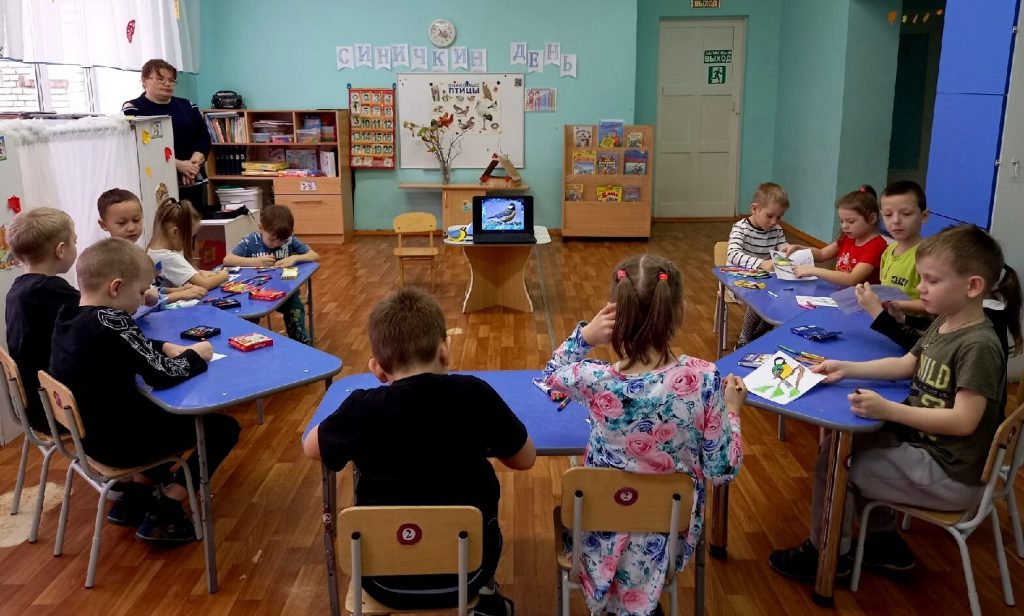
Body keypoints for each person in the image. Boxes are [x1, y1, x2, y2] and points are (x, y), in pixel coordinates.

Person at [769, 224, 1022, 582]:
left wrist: (889, 410)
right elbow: (907, 365)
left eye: (932, 280)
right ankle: (882, 542)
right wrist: (846, 367)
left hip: (949, 474)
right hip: (929, 451)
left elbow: (964, 421)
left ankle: (826, 557)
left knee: (836, 465)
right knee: (841, 448)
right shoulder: (946, 322)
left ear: (972, 286)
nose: (921, 288)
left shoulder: (978, 345)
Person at [303, 287, 535, 615]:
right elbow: (525, 459)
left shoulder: (362, 408)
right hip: (467, 572)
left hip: (382, 578)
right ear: (445, 351)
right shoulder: (475, 395)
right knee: (485, 522)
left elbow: (311, 447)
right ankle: (487, 596)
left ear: (378, 369)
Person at [542, 254, 745, 616]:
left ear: (614, 313)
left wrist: (584, 336)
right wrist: (732, 410)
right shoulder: (704, 379)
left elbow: (549, 377)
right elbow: (721, 471)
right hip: (668, 536)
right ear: (678, 312)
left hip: (599, 534)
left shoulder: (592, 378)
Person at [49, 238, 240, 543]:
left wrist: (162, 346)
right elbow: (163, 375)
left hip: (88, 439)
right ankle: (168, 506)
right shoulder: (114, 320)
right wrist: (196, 355)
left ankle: (136, 497)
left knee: (153, 413)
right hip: (120, 444)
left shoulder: (67, 315)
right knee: (222, 427)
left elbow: (125, 346)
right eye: (140, 292)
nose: (142, 301)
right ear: (116, 287)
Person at [4, 208, 79, 433]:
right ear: (61, 250)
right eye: (75, 241)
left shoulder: (18, 288)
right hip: (57, 409)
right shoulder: (52, 289)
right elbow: (99, 313)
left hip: (32, 405)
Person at [122, 59, 213, 217]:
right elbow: (139, 146)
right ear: (144, 81)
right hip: (157, 184)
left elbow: (203, 138)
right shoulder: (133, 108)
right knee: (166, 226)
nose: (167, 84)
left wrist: (192, 166)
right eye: (160, 79)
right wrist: (178, 165)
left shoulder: (187, 105)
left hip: (192, 178)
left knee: (194, 225)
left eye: (171, 80)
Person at [222, 204, 317, 344]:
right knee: (247, 314)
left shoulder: (289, 240)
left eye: (281, 240)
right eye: (272, 239)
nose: (276, 244)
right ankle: (248, 341)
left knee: (295, 308)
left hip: (285, 293)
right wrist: (255, 262)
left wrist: (295, 258)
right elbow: (227, 260)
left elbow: (314, 255)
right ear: (261, 228)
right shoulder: (251, 241)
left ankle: (299, 340)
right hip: (254, 294)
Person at [97, 188, 207, 305]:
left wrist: (175, 290)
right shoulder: (112, 260)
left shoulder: (135, 252)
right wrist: (177, 295)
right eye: (122, 223)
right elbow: (136, 301)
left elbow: (148, 289)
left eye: (136, 220)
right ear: (104, 224)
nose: (131, 228)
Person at [726, 182, 791, 346]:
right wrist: (761, 263)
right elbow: (732, 254)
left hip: (765, 280)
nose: (774, 222)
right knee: (760, 299)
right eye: (770, 216)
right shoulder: (740, 228)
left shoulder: (777, 230)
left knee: (780, 301)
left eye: (779, 217)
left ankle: (756, 338)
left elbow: (782, 249)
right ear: (755, 209)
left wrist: (788, 253)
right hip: (738, 280)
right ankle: (744, 339)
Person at [786, 186, 888, 286]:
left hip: (859, 296)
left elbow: (852, 279)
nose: (844, 226)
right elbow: (822, 254)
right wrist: (799, 248)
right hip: (840, 291)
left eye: (851, 221)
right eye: (841, 221)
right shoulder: (848, 237)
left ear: (872, 218)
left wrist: (813, 270)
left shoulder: (876, 245)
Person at [147, 196, 228, 290]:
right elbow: (205, 284)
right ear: (174, 232)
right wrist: (223, 275)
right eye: (191, 237)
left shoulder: (151, 250)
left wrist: (198, 273)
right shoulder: (170, 258)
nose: (191, 242)